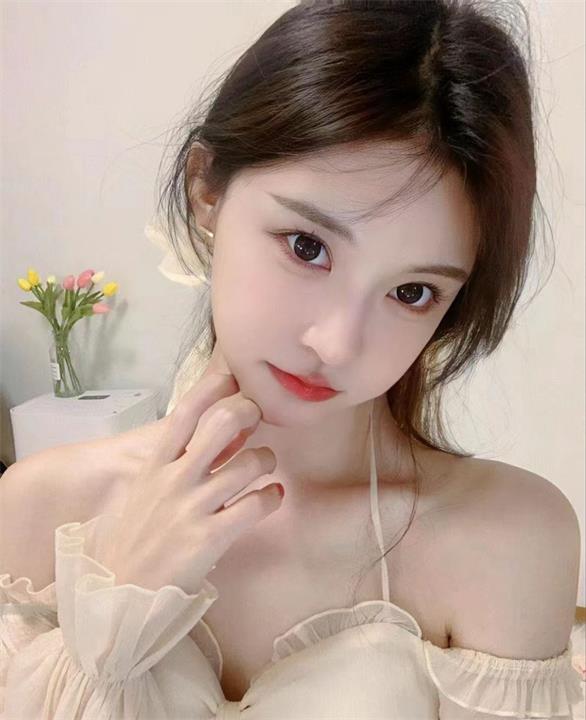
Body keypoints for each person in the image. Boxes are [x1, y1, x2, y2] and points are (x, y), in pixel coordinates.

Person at [1, 0, 583, 717]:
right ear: (206, 190)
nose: (337, 344)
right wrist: (111, 611)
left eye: (411, 292)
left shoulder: (510, 539)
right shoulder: (43, 508)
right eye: (308, 247)